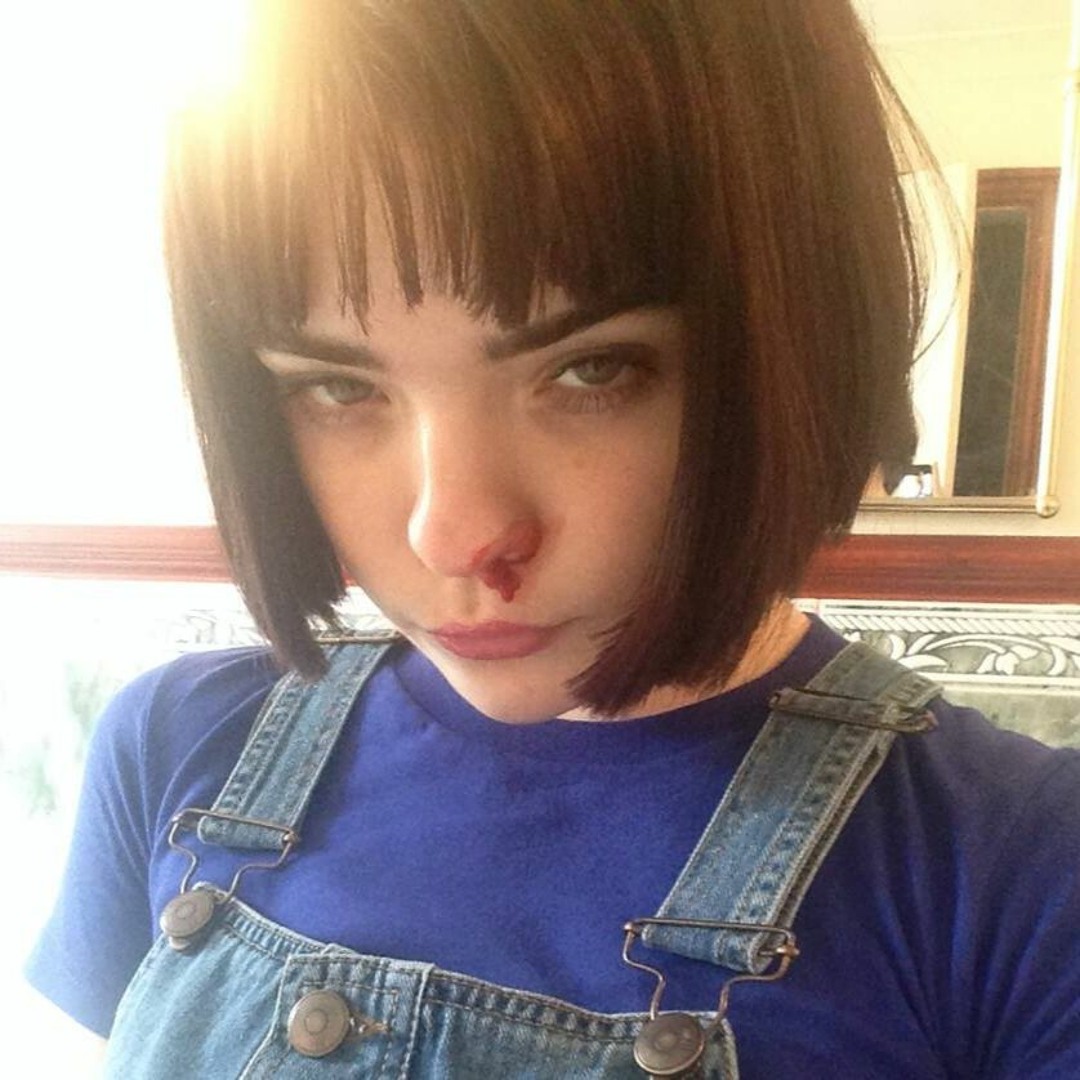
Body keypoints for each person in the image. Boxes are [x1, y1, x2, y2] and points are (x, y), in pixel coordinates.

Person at [25, 1, 1080, 1076]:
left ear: (799, 345)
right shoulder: (180, 742)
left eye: (592, 369)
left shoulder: (1020, 874)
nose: (452, 536)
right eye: (337, 387)